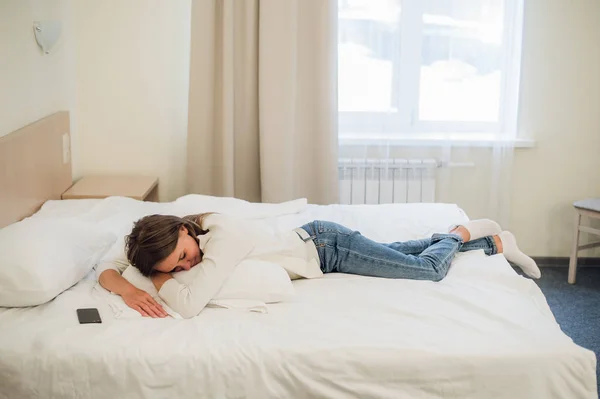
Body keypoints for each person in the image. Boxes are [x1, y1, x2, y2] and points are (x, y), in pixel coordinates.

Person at [97, 213, 540, 319]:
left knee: (426, 270)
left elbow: (190, 307)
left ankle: (463, 232)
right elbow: (110, 263)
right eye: (176, 268)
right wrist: (124, 285)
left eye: (182, 257)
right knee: (403, 252)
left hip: (328, 248)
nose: (185, 267)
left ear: (185, 231)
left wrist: (153, 280)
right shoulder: (180, 236)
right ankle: (495, 242)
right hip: (321, 246)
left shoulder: (225, 236)